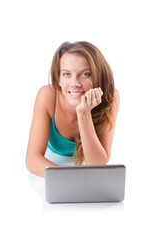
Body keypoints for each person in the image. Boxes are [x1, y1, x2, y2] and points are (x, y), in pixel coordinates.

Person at [25, 41, 120, 177]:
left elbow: (97, 163)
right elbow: (32, 160)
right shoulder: (47, 95)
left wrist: (84, 113)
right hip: (48, 169)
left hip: (82, 176)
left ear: (98, 76)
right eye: (66, 74)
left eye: (85, 74)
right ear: (58, 79)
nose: (74, 83)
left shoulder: (111, 96)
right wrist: (69, 179)